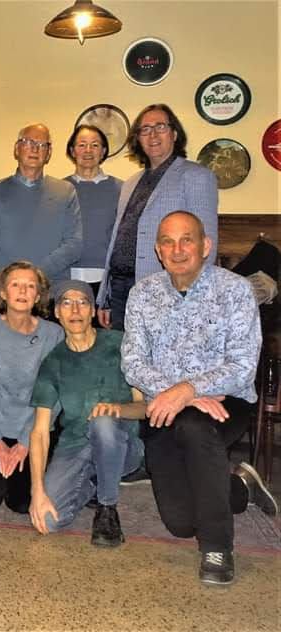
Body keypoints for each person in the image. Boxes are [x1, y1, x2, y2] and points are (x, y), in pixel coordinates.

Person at [122, 211, 273, 585]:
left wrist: (188, 391)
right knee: (180, 523)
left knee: (194, 427)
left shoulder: (235, 291)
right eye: (168, 242)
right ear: (158, 251)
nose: (177, 249)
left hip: (226, 404)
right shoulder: (142, 294)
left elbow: (243, 365)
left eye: (186, 239)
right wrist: (178, 395)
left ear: (205, 246)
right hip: (163, 407)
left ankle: (217, 547)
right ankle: (239, 486)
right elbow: (132, 363)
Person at [27, 280, 145, 547]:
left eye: (82, 302)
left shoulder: (120, 344)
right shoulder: (53, 363)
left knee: (103, 422)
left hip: (122, 444)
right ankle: (97, 481)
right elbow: (40, 432)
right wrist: (37, 492)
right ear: (56, 312)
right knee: (48, 521)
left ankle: (107, 508)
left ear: (92, 311)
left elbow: (145, 407)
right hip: (76, 446)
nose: (75, 310)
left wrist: (118, 410)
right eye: (66, 303)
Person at [98, 105, 219, 331]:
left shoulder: (196, 176)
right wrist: (105, 297)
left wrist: (190, 298)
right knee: (123, 352)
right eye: (145, 129)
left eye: (160, 127)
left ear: (174, 134)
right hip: (120, 291)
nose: (152, 134)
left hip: (168, 290)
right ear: (138, 139)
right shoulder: (130, 183)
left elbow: (206, 245)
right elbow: (118, 239)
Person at [0, 261, 63, 513]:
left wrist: (25, 442)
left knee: (21, 504)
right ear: (3, 292)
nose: (23, 291)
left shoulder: (53, 334)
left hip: (34, 428)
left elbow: (53, 395)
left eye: (30, 286)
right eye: (15, 285)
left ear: (38, 296)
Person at [0, 124, 82, 314]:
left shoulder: (65, 192)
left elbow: (74, 244)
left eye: (42, 145)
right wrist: (13, 279)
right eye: (28, 142)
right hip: (3, 293)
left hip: (49, 293)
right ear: (17, 149)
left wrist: (35, 277)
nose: (35, 149)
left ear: (49, 153)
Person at [63, 125, 122, 301]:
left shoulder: (122, 189)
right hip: (66, 276)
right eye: (82, 145)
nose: (88, 150)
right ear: (72, 151)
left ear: (103, 151)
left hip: (107, 279)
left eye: (95, 145)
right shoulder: (59, 189)